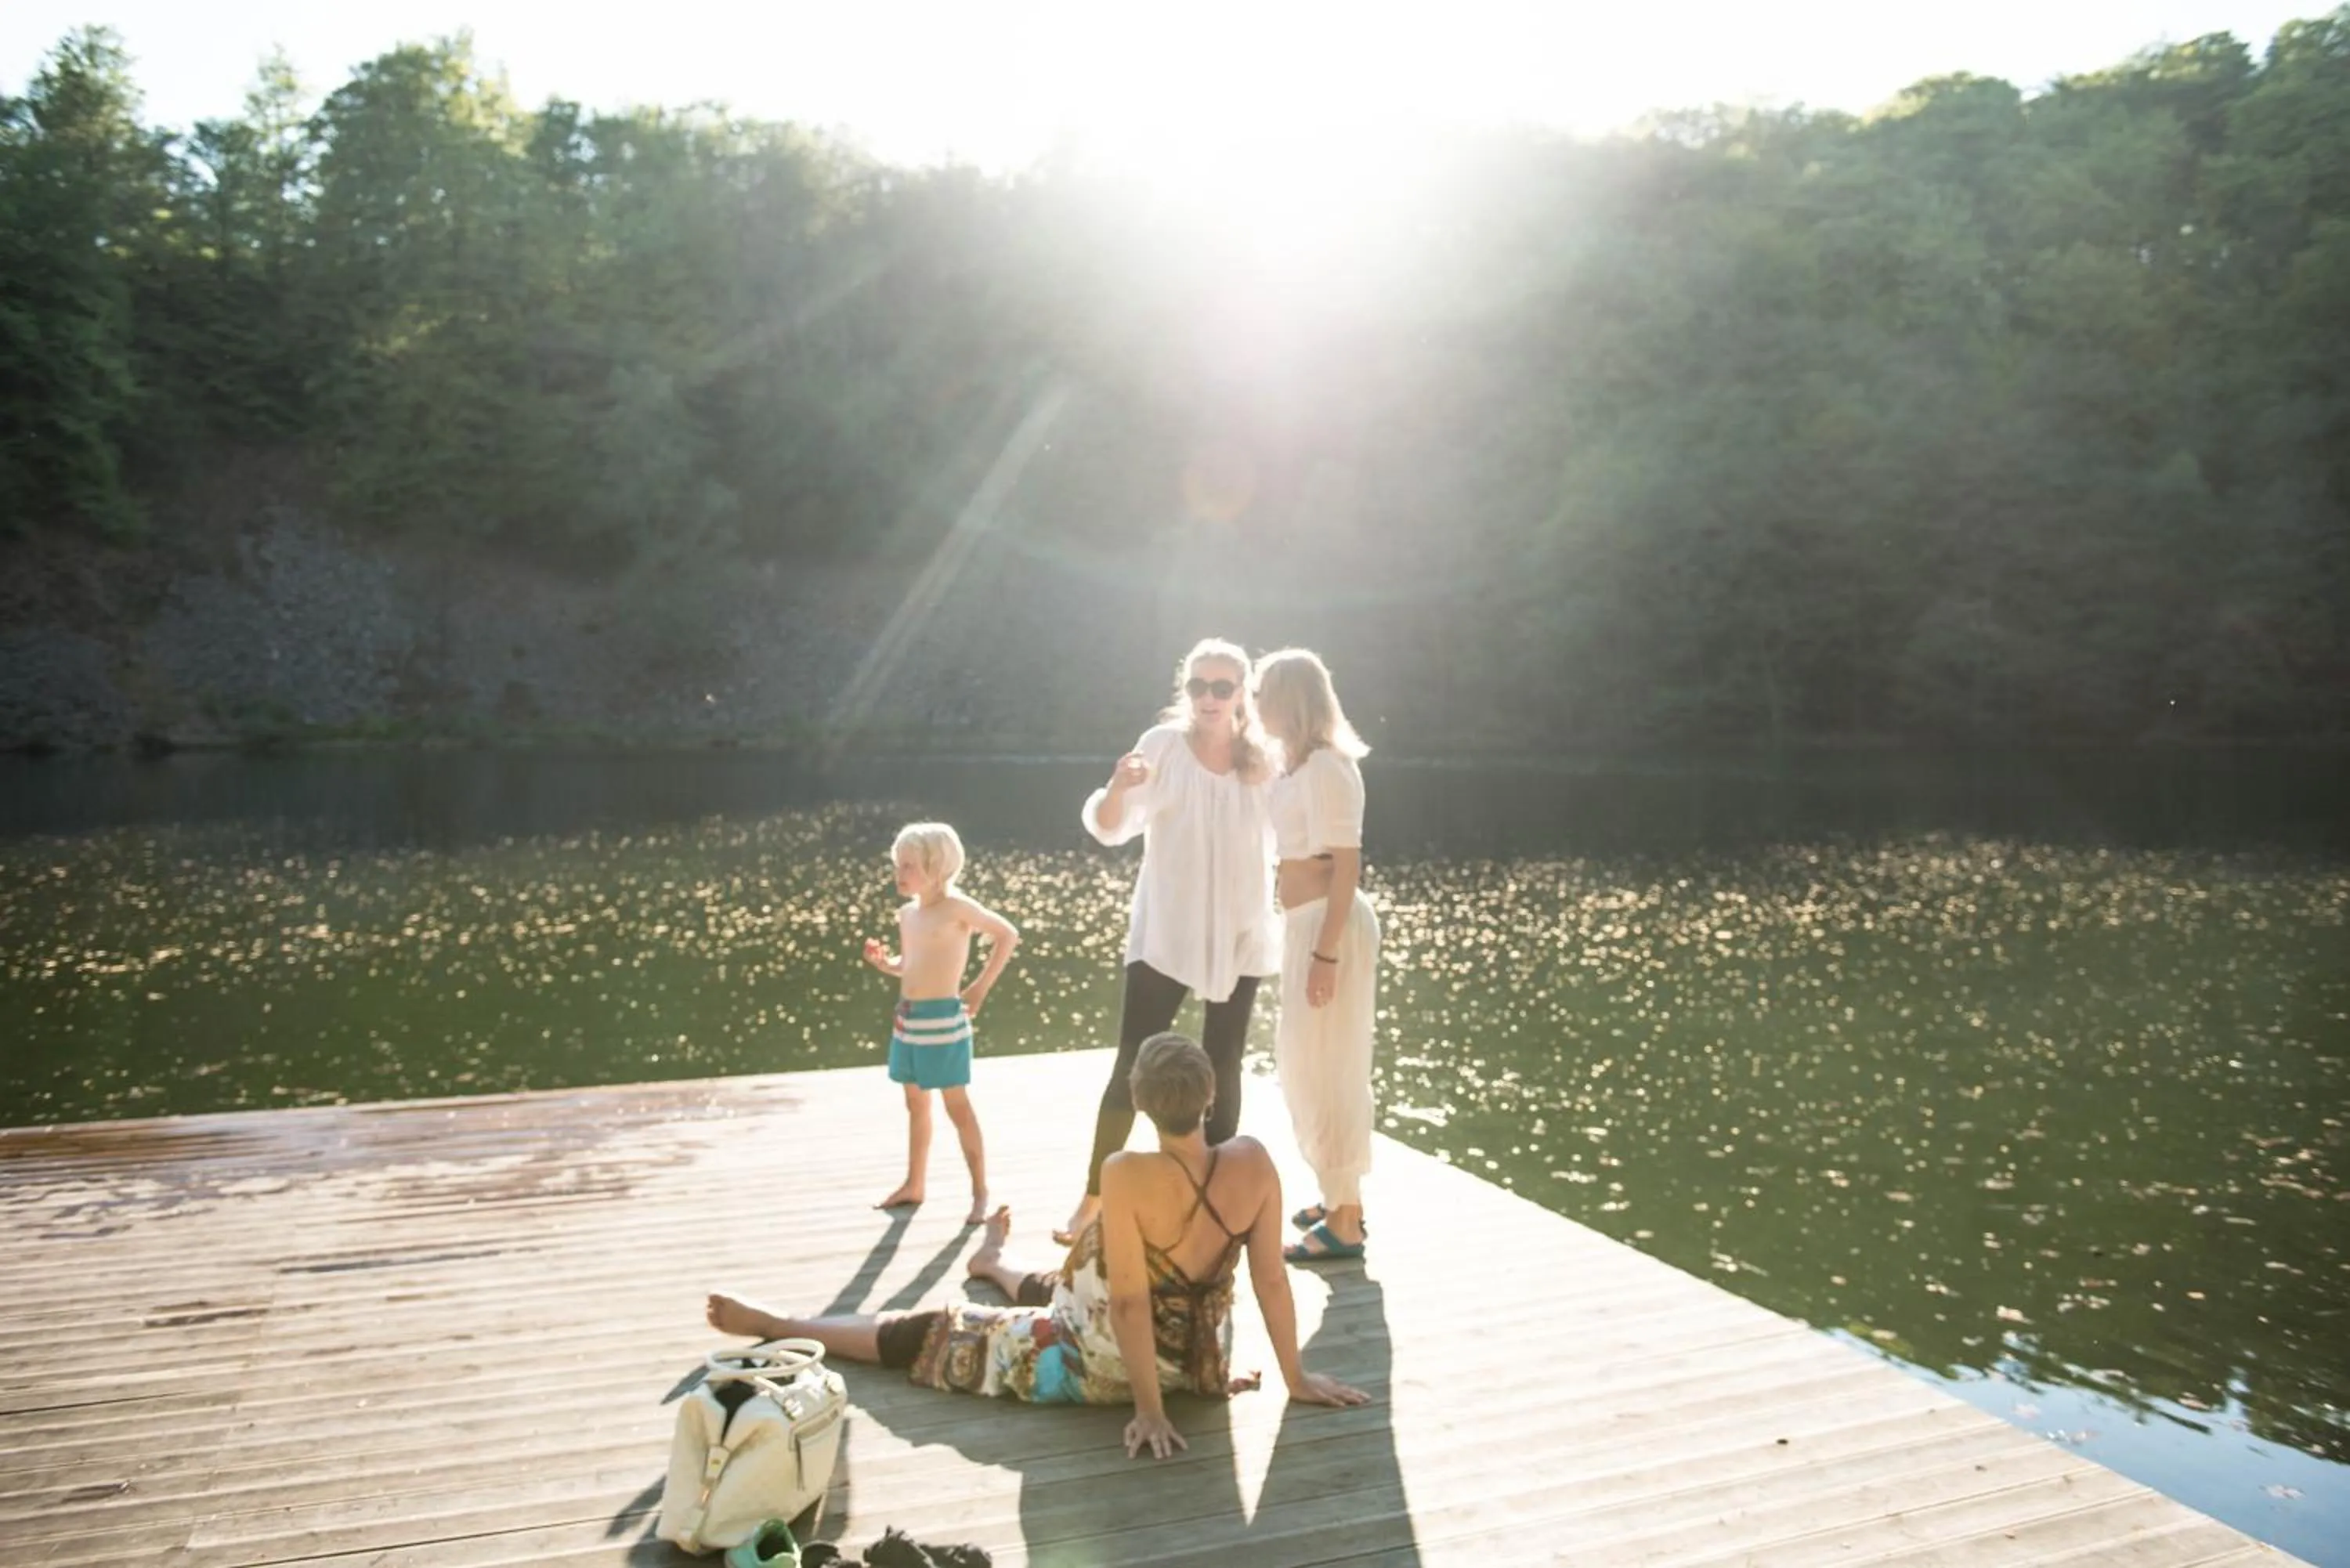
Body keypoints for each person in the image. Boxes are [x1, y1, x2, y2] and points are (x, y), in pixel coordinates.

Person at [707, 1032, 1369, 1459]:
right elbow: (1273, 1283)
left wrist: (1148, 1410)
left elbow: (1133, 1307)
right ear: (1211, 1096)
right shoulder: (1253, 1159)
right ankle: (994, 1262)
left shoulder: (1126, 1172)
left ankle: (779, 1324)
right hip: (1194, 1355)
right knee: (1069, 1283)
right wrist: (1296, 1376)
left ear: (1140, 1103)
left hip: (1108, 1362)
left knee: (938, 1329)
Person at [1055, 638, 1279, 1246]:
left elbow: (1297, 832)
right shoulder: (1161, 748)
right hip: (1167, 932)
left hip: (1238, 930)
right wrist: (1118, 787)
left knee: (1224, 1062)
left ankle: (1212, 1198)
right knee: (1132, 1061)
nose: (1209, 698)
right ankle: (1094, 1199)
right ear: (1187, 691)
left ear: (1242, 695)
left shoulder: (1265, 761)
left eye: (1222, 687)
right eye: (1199, 687)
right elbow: (1109, 829)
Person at [1253, 649, 1380, 1263]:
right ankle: (1337, 1195)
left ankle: (1344, 1220)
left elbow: (1346, 865)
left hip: (1331, 930)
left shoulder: (1330, 766)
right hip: (1305, 927)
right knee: (1304, 1063)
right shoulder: (1295, 767)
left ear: (1292, 699)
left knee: (1328, 1064)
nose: (1254, 705)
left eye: (1262, 694)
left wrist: (1326, 955)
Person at [862, 822, 1019, 1225]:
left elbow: (1007, 934)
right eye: (898, 864)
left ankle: (981, 1191)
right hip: (908, 1022)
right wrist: (887, 964)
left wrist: (980, 988)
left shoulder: (957, 908)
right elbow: (910, 965)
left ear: (937, 867)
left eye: (909, 866)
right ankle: (915, 1184)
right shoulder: (908, 915)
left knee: (957, 1107)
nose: (900, 873)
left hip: (944, 1023)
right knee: (915, 1104)